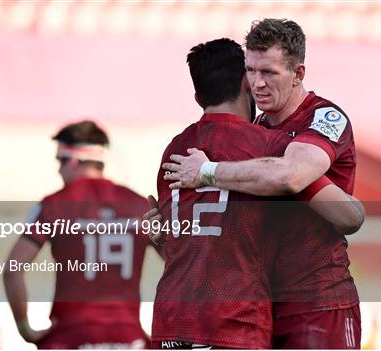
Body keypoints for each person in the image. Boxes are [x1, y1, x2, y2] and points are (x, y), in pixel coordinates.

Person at [151, 38, 363, 349]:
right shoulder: (269, 146)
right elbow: (348, 216)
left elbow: (188, 245)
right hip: (238, 323)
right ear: (246, 83)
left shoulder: (175, 151)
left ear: (198, 97)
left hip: (172, 322)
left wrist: (161, 235)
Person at [3, 120, 154, 349]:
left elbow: (12, 270)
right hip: (128, 338)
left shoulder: (53, 205)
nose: (58, 170)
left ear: (72, 160)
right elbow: (180, 264)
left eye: (59, 161)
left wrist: (25, 328)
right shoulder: (139, 205)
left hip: (69, 336)